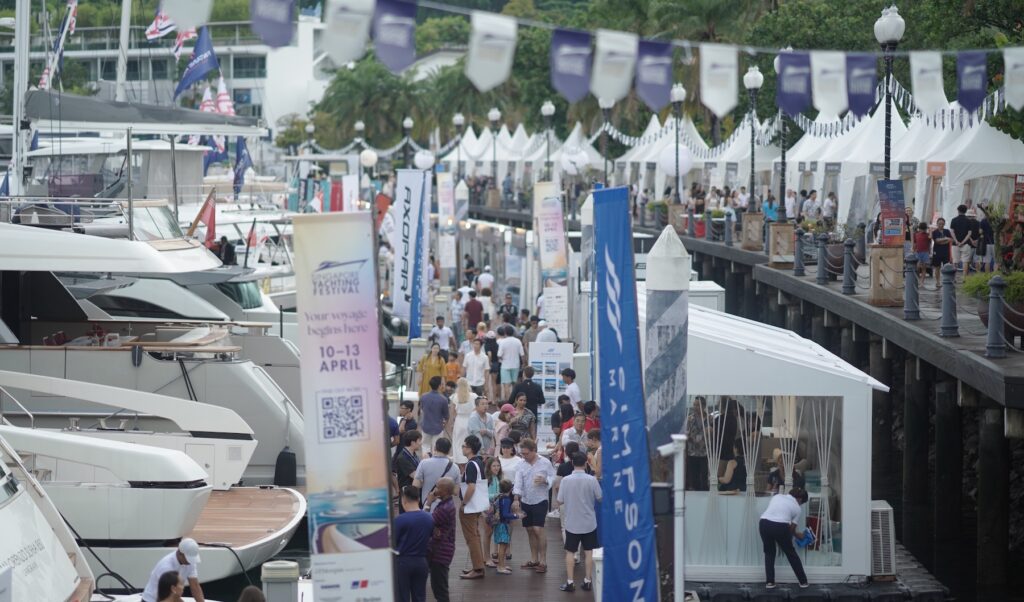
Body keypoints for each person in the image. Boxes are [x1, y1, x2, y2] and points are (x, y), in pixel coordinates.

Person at [557, 451, 602, 592]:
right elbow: (600, 498)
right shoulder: (592, 480)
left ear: (572, 463)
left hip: (572, 522)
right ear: (586, 463)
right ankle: (588, 580)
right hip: (589, 522)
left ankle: (570, 582)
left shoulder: (565, 480)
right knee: (589, 551)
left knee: (570, 552)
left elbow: (559, 500)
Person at [511, 438, 556, 574]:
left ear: (534, 451)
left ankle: (543, 561)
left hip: (540, 499)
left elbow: (553, 477)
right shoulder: (521, 464)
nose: (524, 456)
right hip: (526, 500)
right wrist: (516, 498)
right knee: (530, 529)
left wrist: (545, 480)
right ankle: (534, 559)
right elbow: (518, 482)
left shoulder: (545, 462)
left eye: (526, 453)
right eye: (522, 454)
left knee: (538, 529)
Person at [759, 488, 810, 589]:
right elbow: (791, 529)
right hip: (780, 526)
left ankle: (770, 582)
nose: (801, 505)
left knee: (769, 553)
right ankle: (803, 582)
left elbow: (775, 513)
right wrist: (798, 535)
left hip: (764, 523)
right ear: (799, 499)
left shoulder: (777, 496)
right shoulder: (797, 508)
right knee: (791, 554)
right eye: (802, 502)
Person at [394, 485, 434, 602]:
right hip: (422, 562)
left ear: (404, 500)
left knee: (402, 597)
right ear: (418, 499)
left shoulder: (400, 520)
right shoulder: (429, 518)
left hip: (402, 563)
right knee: (420, 597)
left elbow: (392, 543)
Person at [458, 435, 490, 580]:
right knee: (475, 535)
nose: (462, 448)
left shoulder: (471, 464)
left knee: (472, 537)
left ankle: (477, 568)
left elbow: (471, 486)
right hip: (476, 505)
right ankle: (477, 565)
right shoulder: (479, 462)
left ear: (470, 448)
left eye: (464, 446)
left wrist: (464, 503)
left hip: (470, 506)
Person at [424, 477, 457, 602]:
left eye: (437, 487)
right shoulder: (446, 504)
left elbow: (426, 522)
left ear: (445, 491)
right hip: (442, 550)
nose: (434, 490)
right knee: (438, 587)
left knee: (440, 589)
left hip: (440, 553)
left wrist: (428, 503)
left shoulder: (444, 508)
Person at [413, 437, 460, 509]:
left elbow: (416, 485)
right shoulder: (455, 467)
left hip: (427, 505)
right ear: (449, 450)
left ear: (435, 448)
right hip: (446, 508)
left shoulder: (424, 463)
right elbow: (456, 492)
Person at [482, 456, 504, 566]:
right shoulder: (487, 479)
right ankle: (486, 557)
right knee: (487, 533)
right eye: (494, 466)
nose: (496, 468)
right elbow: (484, 495)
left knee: (491, 532)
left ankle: (488, 556)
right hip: (487, 508)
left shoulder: (498, 478)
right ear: (489, 467)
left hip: (495, 508)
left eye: (498, 465)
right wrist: (497, 495)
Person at [392, 430, 422, 513]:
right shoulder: (402, 458)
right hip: (407, 494)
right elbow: (415, 475)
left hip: (414, 492)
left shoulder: (414, 454)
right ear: (413, 442)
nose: (421, 443)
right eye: (419, 440)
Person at [418, 376, 450, 451]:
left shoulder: (423, 396)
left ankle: (425, 461)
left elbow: (422, 409)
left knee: (425, 446)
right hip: (438, 427)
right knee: (437, 448)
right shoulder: (443, 399)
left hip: (426, 425)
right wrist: (445, 424)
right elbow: (446, 416)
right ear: (439, 386)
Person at [450, 379, 476, 463]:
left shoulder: (455, 396)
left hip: (459, 420)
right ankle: (468, 459)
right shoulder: (473, 396)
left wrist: (451, 423)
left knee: (458, 442)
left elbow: (452, 412)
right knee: (469, 441)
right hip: (470, 420)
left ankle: (459, 460)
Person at [686, 397, 709, 491]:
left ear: (703, 406)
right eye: (694, 405)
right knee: (693, 477)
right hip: (692, 452)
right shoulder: (690, 419)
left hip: (704, 452)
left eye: (697, 405)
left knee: (704, 476)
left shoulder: (709, 419)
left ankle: (704, 494)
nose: (695, 407)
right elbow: (686, 433)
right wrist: (690, 437)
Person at [497, 326, 525, 400]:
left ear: (505, 333)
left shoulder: (503, 342)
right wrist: (523, 364)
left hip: (505, 365)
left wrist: (503, 359)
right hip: (516, 365)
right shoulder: (518, 341)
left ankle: (508, 401)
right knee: (514, 385)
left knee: (506, 385)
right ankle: (515, 401)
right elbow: (522, 355)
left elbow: (499, 355)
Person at [950, 204, 975, 279]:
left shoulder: (954, 220)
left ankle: (954, 278)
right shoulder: (968, 221)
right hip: (966, 244)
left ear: (958, 210)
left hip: (955, 244)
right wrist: (963, 242)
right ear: (966, 211)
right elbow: (969, 233)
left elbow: (952, 232)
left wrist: (956, 241)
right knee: (965, 261)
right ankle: (964, 278)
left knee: (955, 262)